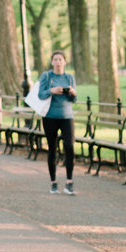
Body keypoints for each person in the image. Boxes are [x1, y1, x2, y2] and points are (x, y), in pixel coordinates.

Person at [36, 50, 77, 195]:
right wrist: (52, 90)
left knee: (69, 146)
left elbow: (74, 100)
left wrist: (72, 93)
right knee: (52, 148)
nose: (58, 62)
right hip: (50, 117)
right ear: (52, 62)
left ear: (65, 62)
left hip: (67, 116)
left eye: (60, 59)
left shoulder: (69, 78)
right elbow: (40, 95)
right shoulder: (47, 76)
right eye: (55, 59)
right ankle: (53, 182)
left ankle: (69, 182)